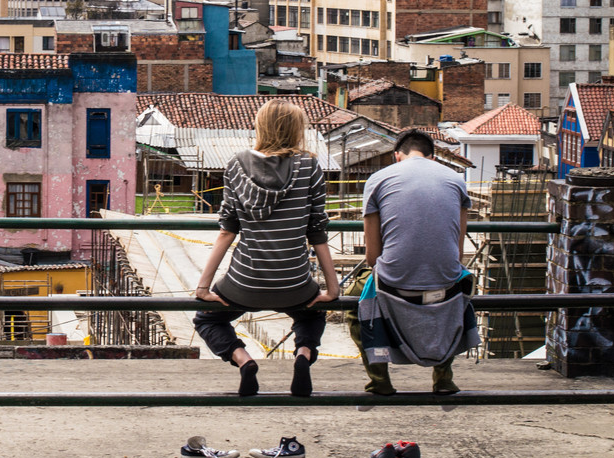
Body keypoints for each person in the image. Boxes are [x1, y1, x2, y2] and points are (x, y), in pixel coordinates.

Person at [192, 100, 340, 397]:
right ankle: (303, 355)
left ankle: (243, 359)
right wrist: (332, 288)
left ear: (261, 126)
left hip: (244, 281)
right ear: (296, 130)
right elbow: (317, 232)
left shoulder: (235, 165)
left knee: (206, 318)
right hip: (294, 281)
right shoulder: (309, 165)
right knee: (312, 314)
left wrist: (203, 287)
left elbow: (227, 231)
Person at [350, 128, 479, 396]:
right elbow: (458, 252)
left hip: (394, 286)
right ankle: (443, 377)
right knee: (458, 287)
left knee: (354, 306)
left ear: (398, 156)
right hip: (447, 285)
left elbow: (372, 257)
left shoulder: (377, 179)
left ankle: (379, 380)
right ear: (433, 158)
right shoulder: (456, 180)